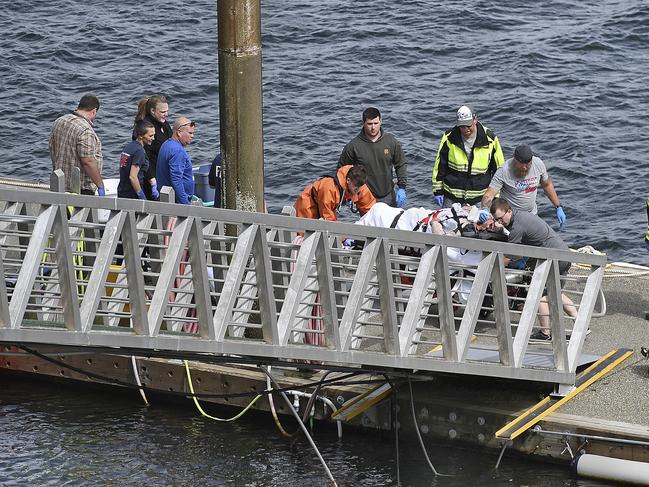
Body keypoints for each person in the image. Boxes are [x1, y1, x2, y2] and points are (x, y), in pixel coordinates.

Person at [488, 198, 577, 340]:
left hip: (553, 258)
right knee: (555, 294)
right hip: (562, 254)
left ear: (509, 211)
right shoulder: (520, 216)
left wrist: (490, 269)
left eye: (500, 219)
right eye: (496, 220)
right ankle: (581, 327)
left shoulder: (517, 226)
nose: (500, 222)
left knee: (537, 294)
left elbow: (511, 255)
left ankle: (545, 333)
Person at [432, 105, 504, 208]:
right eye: (462, 126)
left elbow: (499, 170)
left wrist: (495, 196)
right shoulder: (449, 138)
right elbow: (440, 166)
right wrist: (437, 191)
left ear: (475, 120)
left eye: (468, 125)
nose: (465, 129)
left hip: (480, 199)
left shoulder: (490, 139)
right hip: (451, 197)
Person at [479, 144, 566, 225]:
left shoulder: (538, 164)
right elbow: (489, 195)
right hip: (510, 218)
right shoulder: (503, 171)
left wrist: (558, 207)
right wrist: (485, 209)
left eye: (527, 164)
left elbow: (547, 185)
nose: (524, 167)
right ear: (514, 159)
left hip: (531, 215)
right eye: (521, 164)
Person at [338, 107, 408, 207]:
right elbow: (341, 170)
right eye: (369, 124)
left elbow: (400, 164)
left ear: (381, 121)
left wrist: (402, 187)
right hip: (365, 197)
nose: (373, 127)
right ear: (363, 123)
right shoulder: (353, 146)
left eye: (376, 123)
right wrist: (346, 192)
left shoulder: (391, 141)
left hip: (388, 195)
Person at [49, 94, 105, 195]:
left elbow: (52, 148)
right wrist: (100, 185)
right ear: (94, 111)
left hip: (60, 184)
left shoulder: (59, 121)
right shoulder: (85, 130)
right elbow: (88, 161)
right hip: (79, 189)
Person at [294, 165, 375, 221]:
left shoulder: (359, 183)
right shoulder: (329, 188)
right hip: (308, 206)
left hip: (329, 208)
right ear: (348, 181)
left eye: (359, 188)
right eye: (356, 188)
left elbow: (369, 208)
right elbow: (328, 218)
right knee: (304, 237)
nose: (358, 191)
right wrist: (342, 239)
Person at [133, 95, 172, 200]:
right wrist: (152, 180)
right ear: (153, 111)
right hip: (151, 176)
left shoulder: (164, 124)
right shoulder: (146, 127)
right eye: (163, 112)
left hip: (164, 172)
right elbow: (144, 157)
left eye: (167, 111)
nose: (166, 115)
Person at [156, 117, 196, 205]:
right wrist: (185, 204)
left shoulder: (166, 144)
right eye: (190, 133)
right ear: (179, 132)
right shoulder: (177, 151)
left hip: (166, 197)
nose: (192, 136)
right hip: (176, 201)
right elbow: (176, 180)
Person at [117, 120, 156, 200]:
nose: (153, 138)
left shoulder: (129, 146)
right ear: (141, 136)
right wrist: (140, 195)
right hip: (132, 195)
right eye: (150, 136)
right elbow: (133, 176)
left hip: (122, 191)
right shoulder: (139, 151)